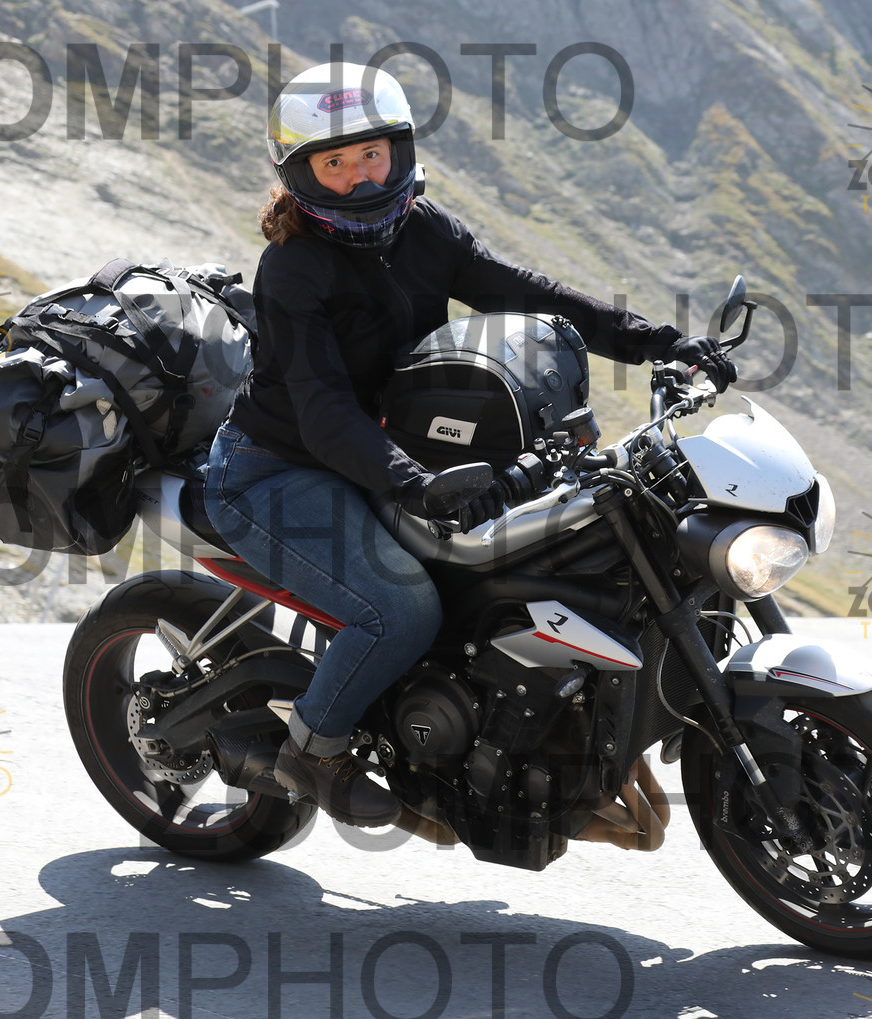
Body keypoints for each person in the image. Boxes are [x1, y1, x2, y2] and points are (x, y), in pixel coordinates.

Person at [203, 62, 736, 827]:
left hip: (386, 451)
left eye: (371, 154)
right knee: (402, 610)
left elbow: (535, 295)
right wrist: (416, 484)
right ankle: (313, 749)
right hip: (277, 472)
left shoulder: (425, 231)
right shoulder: (293, 270)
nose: (360, 177)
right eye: (335, 163)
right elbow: (324, 413)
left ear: (399, 150)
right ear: (301, 175)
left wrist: (661, 343)